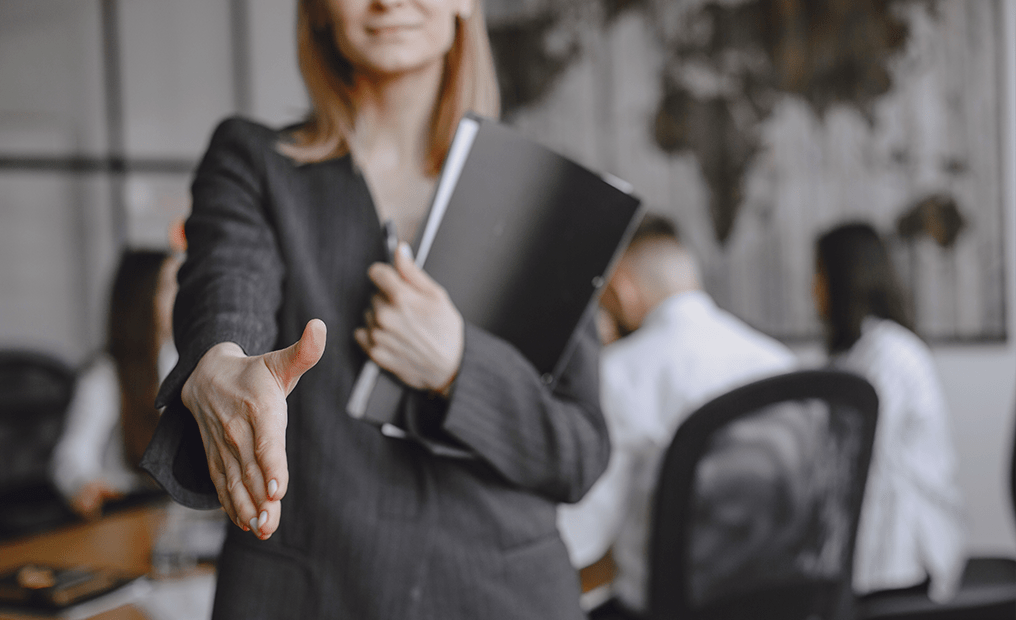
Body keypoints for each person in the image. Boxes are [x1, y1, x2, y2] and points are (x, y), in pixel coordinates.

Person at [139, 1, 609, 618]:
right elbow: (227, 283)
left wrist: (459, 367)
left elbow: (577, 453)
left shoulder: (544, 192)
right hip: (311, 593)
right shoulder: (255, 161)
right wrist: (222, 360)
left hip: (502, 597)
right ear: (320, 11)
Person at [557, 213, 796, 619]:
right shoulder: (780, 364)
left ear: (620, 290)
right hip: (782, 602)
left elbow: (583, 538)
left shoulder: (621, 373)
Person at [813, 222, 965, 603]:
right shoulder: (856, 356)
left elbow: (854, 462)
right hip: (874, 551)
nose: (811, 289)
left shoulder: (889, 355)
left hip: (902, 556)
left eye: (817, 275)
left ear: (843, 279)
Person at [51, 249, 180, 519]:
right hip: (129, 512)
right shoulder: (105, 375)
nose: (181, 297)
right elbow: (72, 457)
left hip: (177, 514)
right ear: (142, 298)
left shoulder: (181, 362)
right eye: (169, 287)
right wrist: (83, 484)